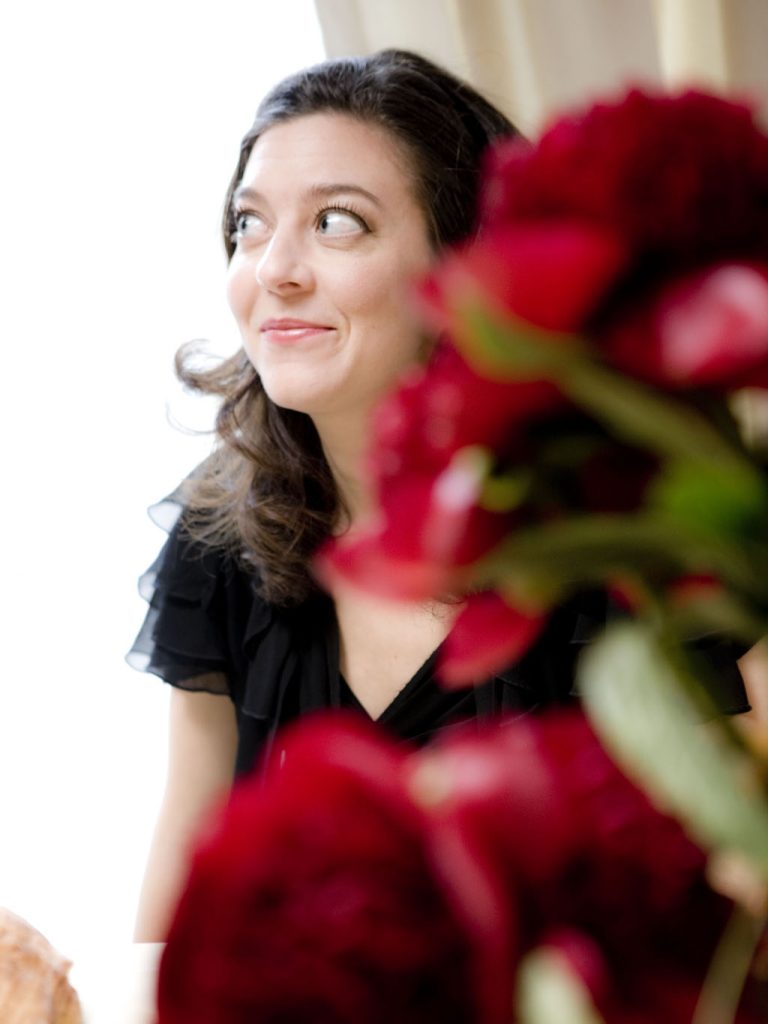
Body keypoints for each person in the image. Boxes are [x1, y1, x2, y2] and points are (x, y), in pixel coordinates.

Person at [128, 49, 751, 942]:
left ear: (460, 266)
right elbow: (177, 918)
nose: (274, 270)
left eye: (337, 223)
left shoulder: (634, 524)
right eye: (249, 224)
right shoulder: (216, 543)